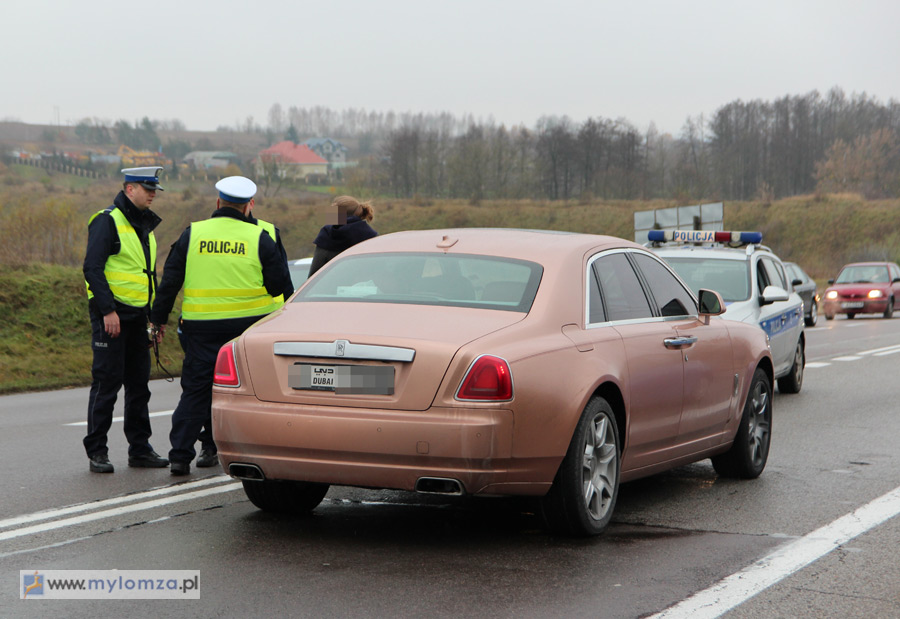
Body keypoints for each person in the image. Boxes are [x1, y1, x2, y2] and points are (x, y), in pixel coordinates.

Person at [150, 176, 292, 476]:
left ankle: (179, 456)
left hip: (201, 330)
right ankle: (255, 454)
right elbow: (280, 284)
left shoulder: (194, 234)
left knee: (196, 392)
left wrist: (157, 321)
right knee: (253, 393)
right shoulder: (259, 237)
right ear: (247, 207)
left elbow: (170, 282)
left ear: (218, 203)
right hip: (248, 332)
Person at [82, 166, 170, 473]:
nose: (152, 196)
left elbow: (147, 279)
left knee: (138, 386)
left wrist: (154, 321)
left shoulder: (144, 226)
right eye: (148, 190)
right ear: (129, 188)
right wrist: (108, 311)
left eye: (154, 191)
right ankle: (97, 451)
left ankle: (140, 449)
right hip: (112, 316)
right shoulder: (108, 220)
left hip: (138, 317)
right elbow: (92, 269)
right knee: (107, 384)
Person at [307, 195, 377, 277]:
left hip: (333, 287)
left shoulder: (326, 235)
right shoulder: (371, 236)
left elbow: (314, 275)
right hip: (368, 288)